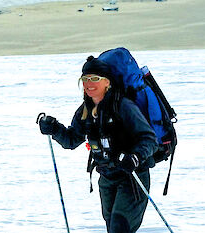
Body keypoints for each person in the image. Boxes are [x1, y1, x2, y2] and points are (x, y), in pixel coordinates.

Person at [38, 55, 158, 233]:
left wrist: (135, 157)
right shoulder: (85, 110)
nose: (89, 83)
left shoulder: (124, 107)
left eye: (95, 79)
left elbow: (149, 139)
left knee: (119, 227)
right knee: (114, 228)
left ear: (107, 82)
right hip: (107, 179)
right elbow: (71, 140)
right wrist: (54, 128)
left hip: (132, 177)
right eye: (85, 79)